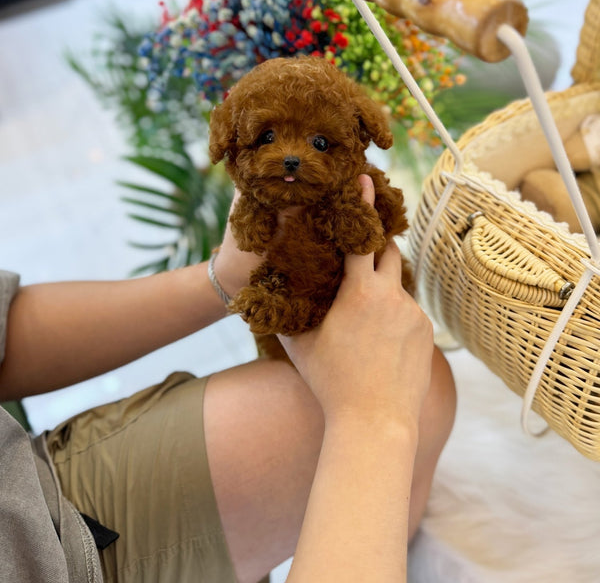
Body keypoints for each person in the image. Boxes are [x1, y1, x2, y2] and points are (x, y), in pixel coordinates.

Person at [0, 175, 456, 583]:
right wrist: (371, 417)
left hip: (39, 495)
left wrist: (225, 280)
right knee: (400, 396)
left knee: (421, 385)